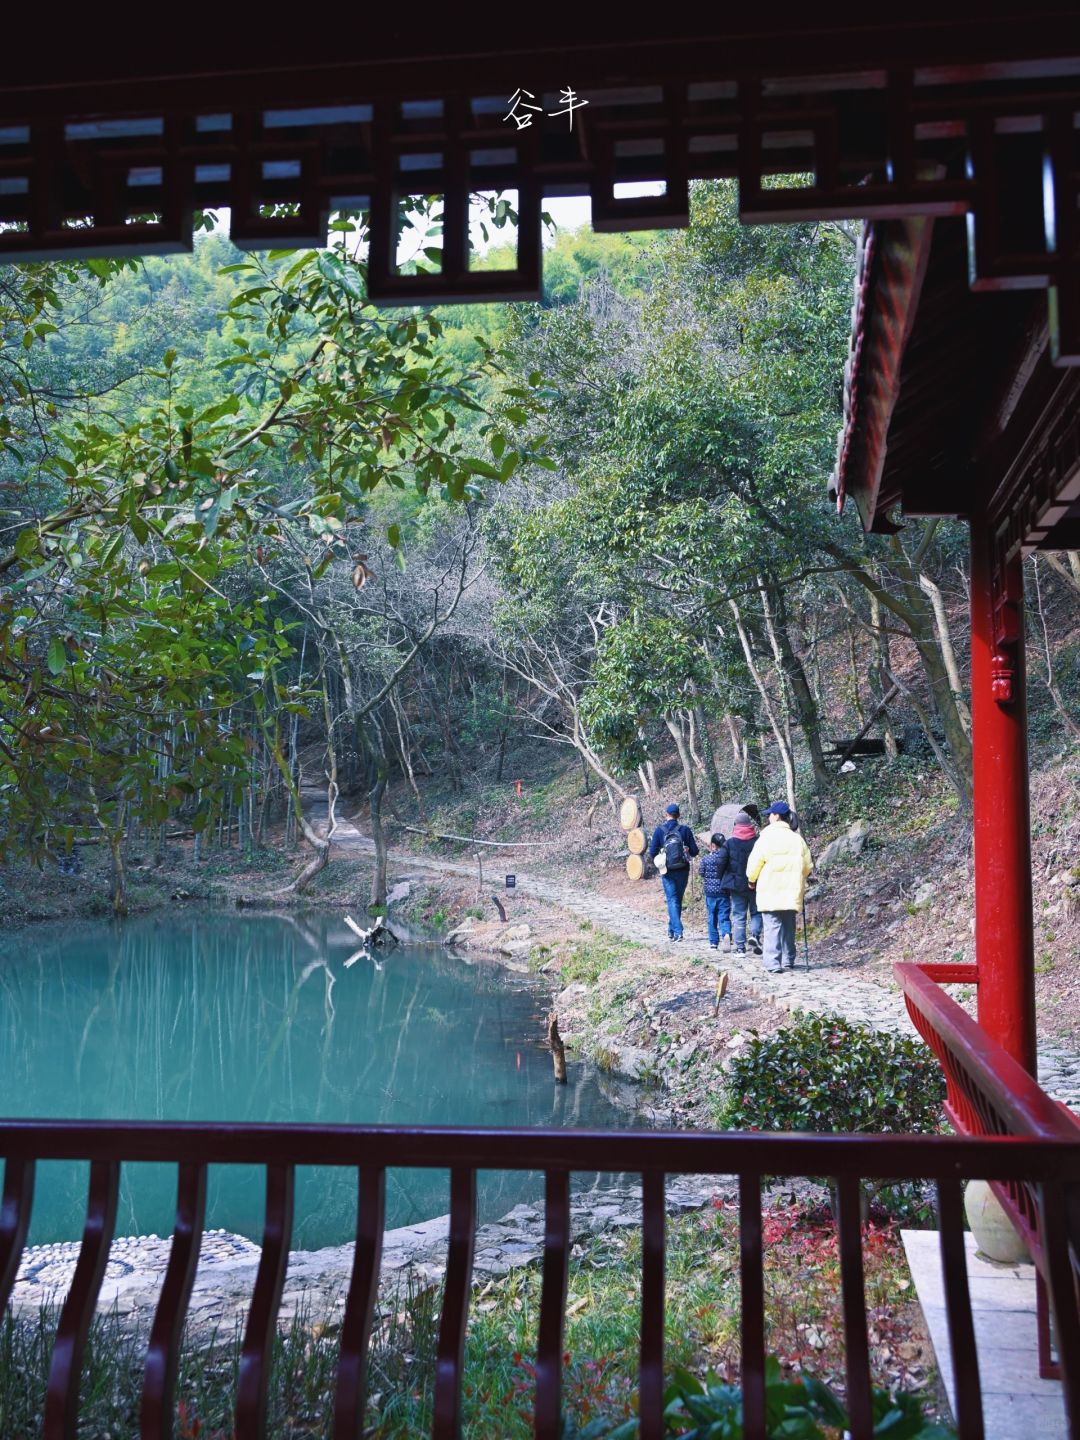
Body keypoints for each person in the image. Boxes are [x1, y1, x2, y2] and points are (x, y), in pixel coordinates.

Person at [745, 800, 813, 974]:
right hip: (792, 890)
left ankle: (773, 963)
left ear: (776, 816)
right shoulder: (797, 839)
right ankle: (788, 959)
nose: (768, 817)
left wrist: (751, 880)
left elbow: (754, 864)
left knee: (772, 926)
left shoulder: (766, 838)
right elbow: (807, 866)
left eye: (770, 814)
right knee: (788, 925)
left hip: (770, 890)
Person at [648, 802, 699, 941]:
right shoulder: (685, 830)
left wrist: (661, 857)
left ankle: (677, 931)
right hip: (682, 869)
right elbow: (695, 851)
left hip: (667, 870)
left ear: (666, 815)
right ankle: (672, 930)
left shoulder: (659, 831)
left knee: (672, 900)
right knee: (677, 900)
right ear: (679, 815)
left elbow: (652, 852)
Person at [720, 809, 763, 956]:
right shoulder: (758, 841)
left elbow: (721, 863)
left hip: (736, 885)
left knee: (739, 915)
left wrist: (724, 879)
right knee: (756, 913)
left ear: (736, 825)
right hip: (756, 884)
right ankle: (755, 936)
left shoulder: (729, 843)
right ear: (749, 824)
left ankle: (740, 948)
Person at [699, 832, 732, 951]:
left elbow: (701, 873)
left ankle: (713, 943)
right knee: (724, 916)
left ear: (712, 845)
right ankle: (726, 934)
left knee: (712, 917)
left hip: (710, 893)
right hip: (724, 892)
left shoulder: (706, 859)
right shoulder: (727, 858)